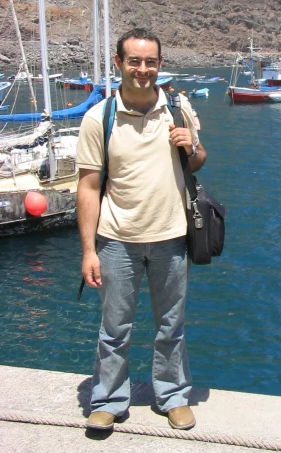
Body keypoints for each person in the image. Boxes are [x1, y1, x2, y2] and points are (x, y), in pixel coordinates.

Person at [76, 28, 206, 432]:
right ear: (119, 63)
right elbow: (88, 187)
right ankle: (109, 400)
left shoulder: (179, 109)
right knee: (114, 328)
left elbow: (198, 161)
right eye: (134, 60)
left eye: (150, 61)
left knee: (171, 325)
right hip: (117, 241)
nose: (142, 69)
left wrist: (192, 147)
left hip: (171, 236)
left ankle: (172, 395)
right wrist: (88, 251)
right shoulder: (100, 118)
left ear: (160, 65)